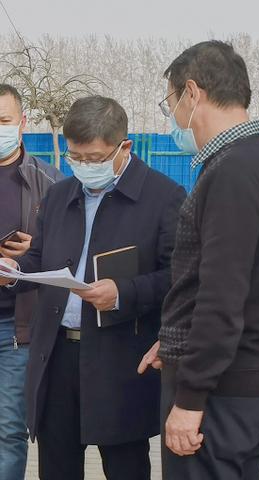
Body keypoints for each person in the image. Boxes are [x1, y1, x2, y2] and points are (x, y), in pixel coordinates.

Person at [138, 40, 259, 480]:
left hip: (220, 397)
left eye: (171, 102)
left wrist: (190, 398)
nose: (173, 117)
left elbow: (222, 296)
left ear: (192, 93)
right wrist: (175, 340)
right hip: (255, 380)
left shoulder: (232, 171)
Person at [0, 95, 186, 480]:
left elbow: (178, 277)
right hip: (56, 352)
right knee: (57, 465)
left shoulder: (163, 197)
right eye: (76, 157)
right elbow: (42, 258)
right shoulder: (59, 194)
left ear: (125, 147)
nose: (85, 166)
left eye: (95, 158)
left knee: (124, 465)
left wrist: (123, 293)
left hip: (120, 356)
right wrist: (15, 270)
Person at [0, 83, 63, 480]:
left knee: (9, 430)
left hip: (17, 328)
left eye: (3, 120)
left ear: (22, 122)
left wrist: (36, 251)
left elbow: (72, 251)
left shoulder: (50, 181)